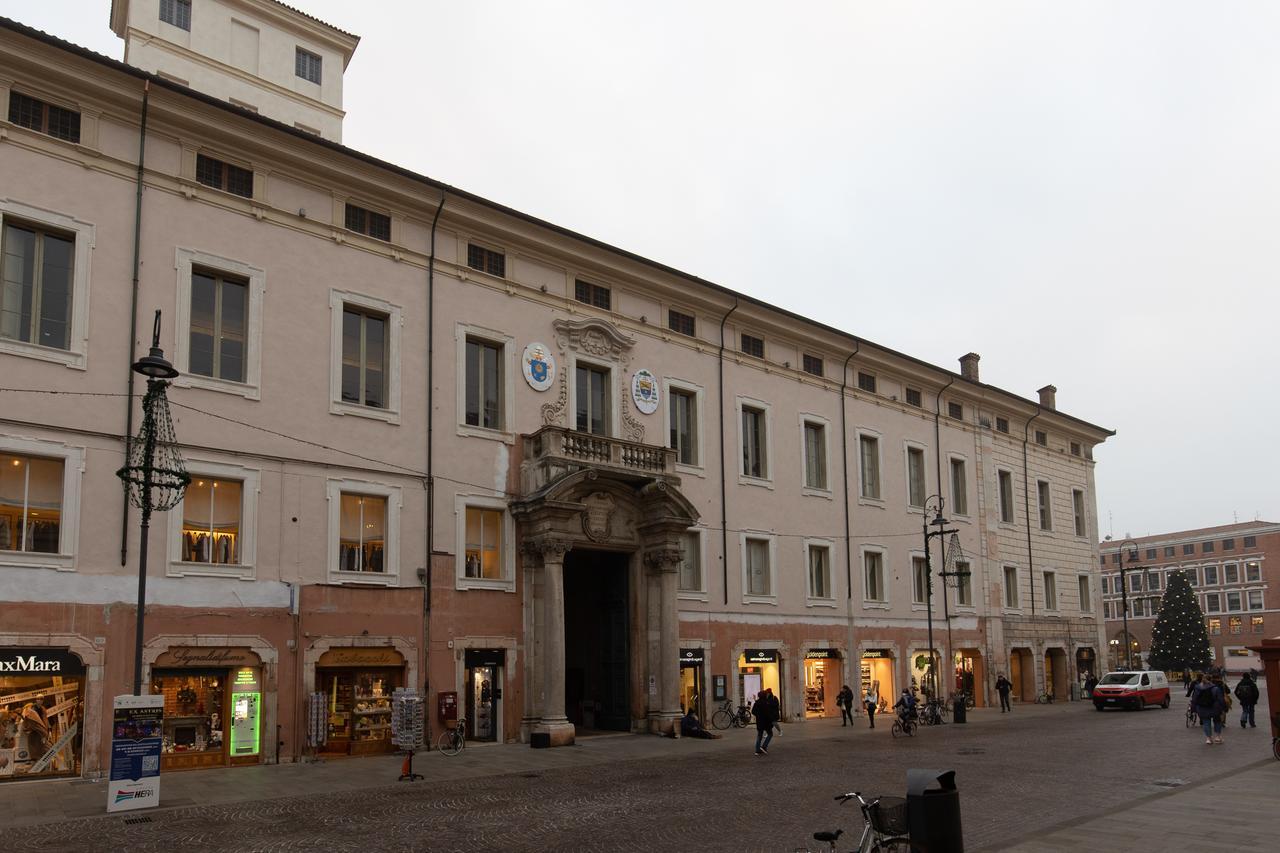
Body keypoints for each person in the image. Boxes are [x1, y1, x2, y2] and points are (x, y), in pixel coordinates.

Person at [1191, 672, 1224, 745]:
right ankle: (1218, 737)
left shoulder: (1198, 688)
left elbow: (1194, 699)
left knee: (1206, 722)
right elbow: (1220, 699)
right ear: (1211, 680)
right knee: (1217, 721)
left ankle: (1208, 738)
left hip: (1202, 707)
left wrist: (1194, 708)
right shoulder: (1215, 688)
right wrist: (1221, 708)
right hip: (1214, 707)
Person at [752, 688, 776, 755]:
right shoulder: (766, 703)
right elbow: (768, 713)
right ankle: (764, 746)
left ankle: (757, 750)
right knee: (770, 734)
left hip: (759, 722)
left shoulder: (757, 703)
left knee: (759, 736)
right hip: (766, 722)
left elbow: (753, 711)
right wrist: (772, 720)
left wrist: (758, 715)